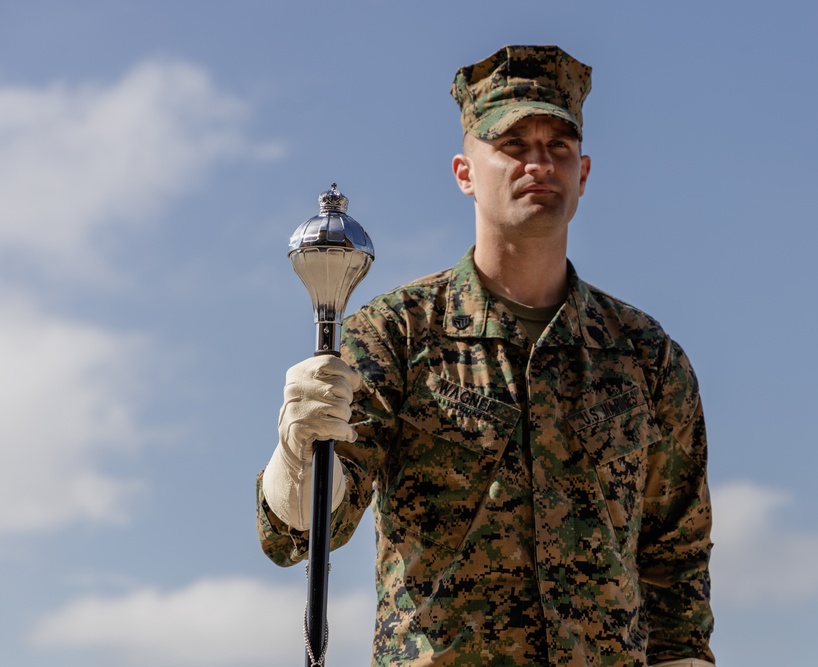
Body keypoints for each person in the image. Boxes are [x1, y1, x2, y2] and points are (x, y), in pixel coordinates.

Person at [257, 45, 715, 666]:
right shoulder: (397, 334)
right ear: (464, 172)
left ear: (583, 173)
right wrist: (298, 452)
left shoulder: (646, 357)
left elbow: (675, 566)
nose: (538, 163)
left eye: (557, 146)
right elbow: (302, 535)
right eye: (513, 145)